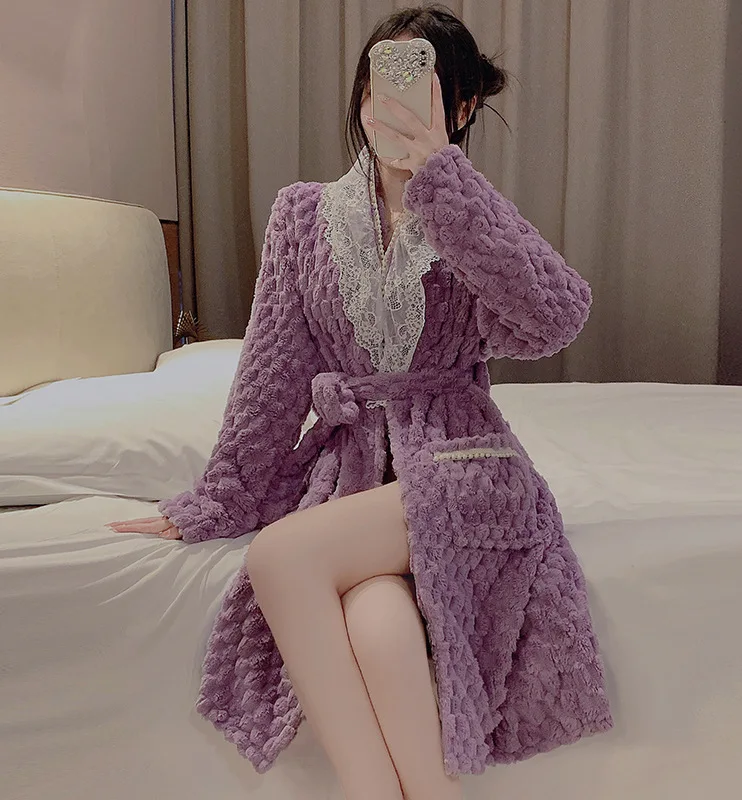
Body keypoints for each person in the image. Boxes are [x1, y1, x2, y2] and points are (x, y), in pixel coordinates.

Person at [108, 6, 612, 800]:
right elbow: (272, 374)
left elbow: (556, 316)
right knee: (378, 623)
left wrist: (446, 181)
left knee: (280, 557)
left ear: (460, 105)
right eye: (381, 81)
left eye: (419, 82)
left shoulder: (470, 218)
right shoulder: (303, 216)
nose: (391, 104)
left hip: (465, 466)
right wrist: (220, 496)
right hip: (354, 474)